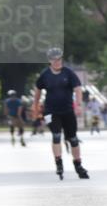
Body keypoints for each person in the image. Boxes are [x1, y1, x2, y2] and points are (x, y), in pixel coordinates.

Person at [32, 47, 88, 180]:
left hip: (67, 110)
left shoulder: (68, 73)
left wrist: (78, 105)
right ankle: (59, 163)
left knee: (73, 139)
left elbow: (78, 88)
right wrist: (35, 105)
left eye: (59, 59)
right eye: (54, 60)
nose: (57, 62)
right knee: (56, 135)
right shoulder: (45, 74)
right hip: (50, 111)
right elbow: (38, 89)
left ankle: (78, 164)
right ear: (50, 61)